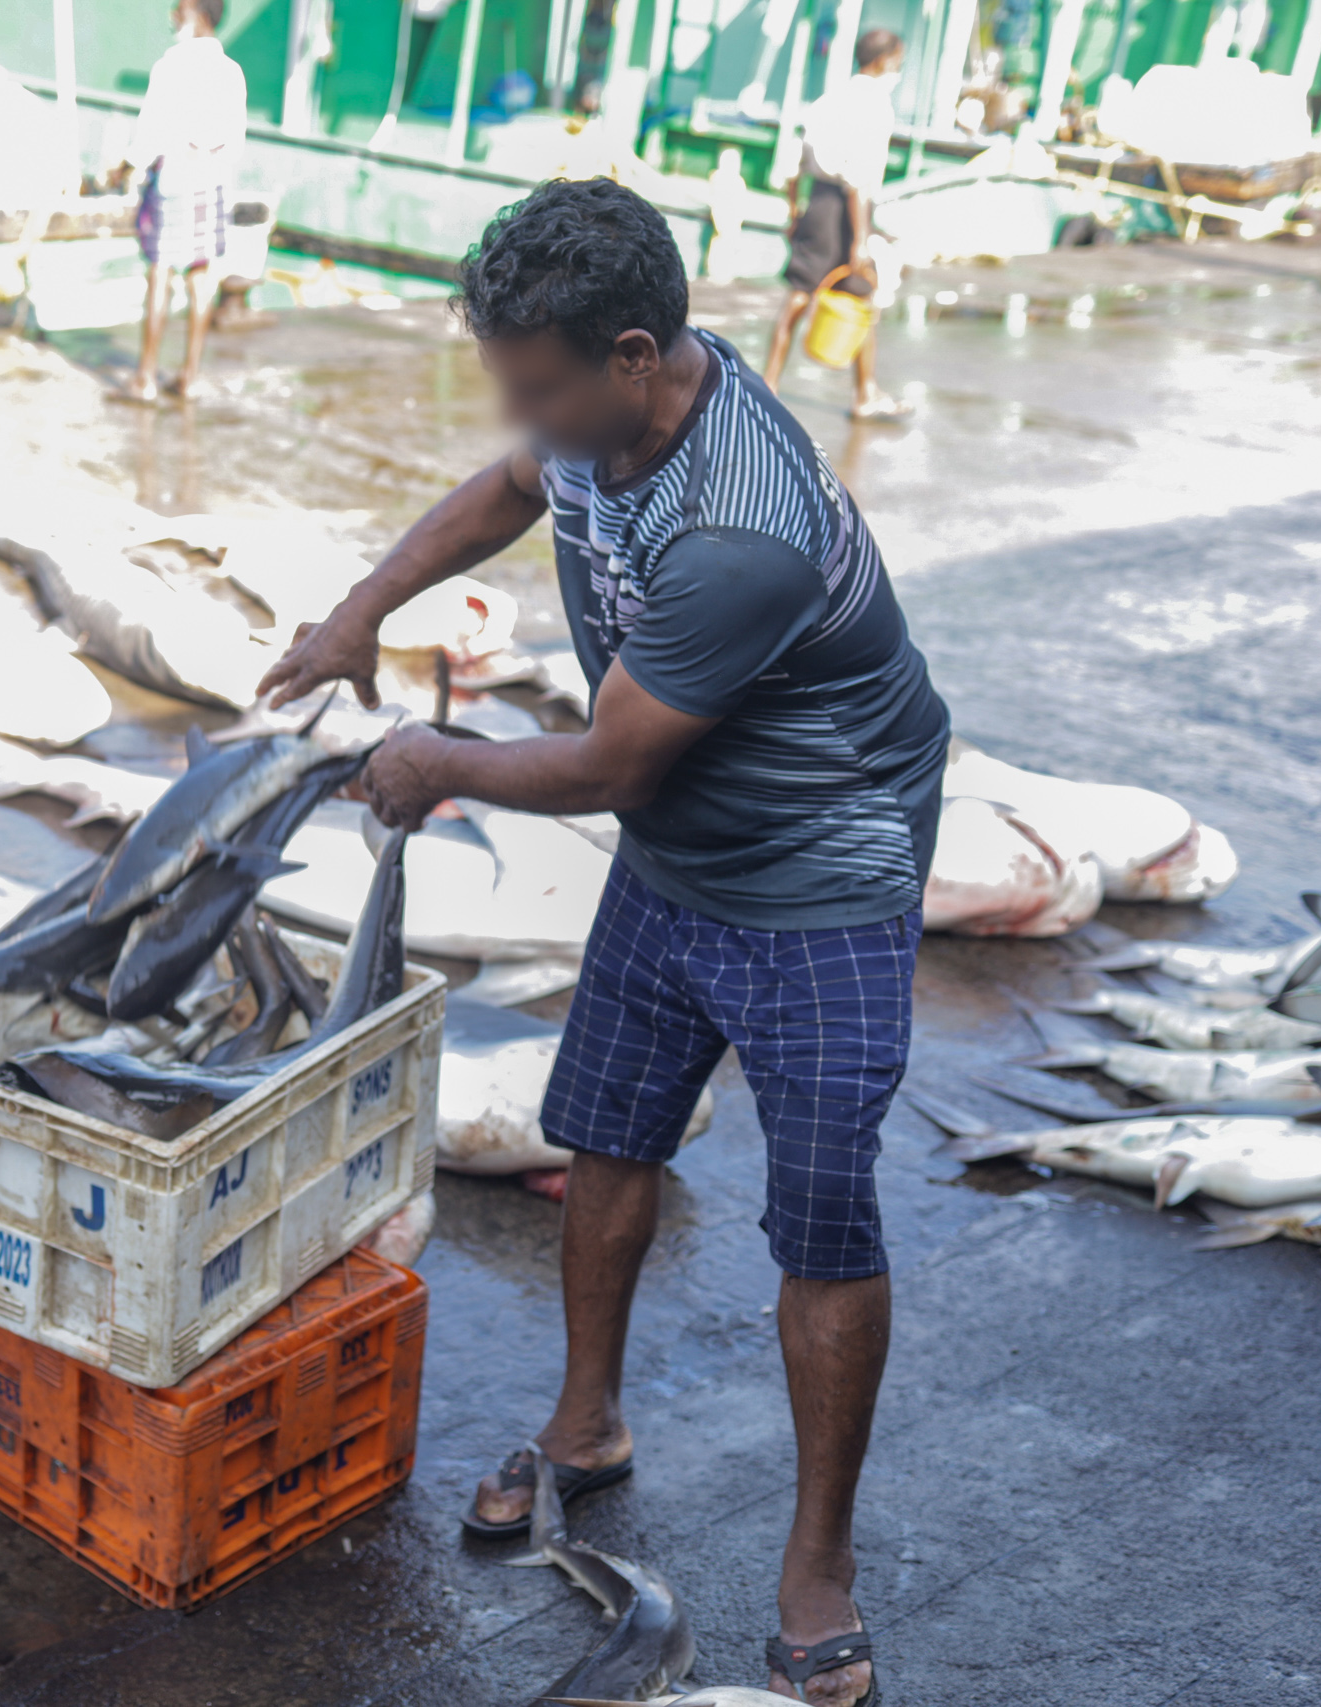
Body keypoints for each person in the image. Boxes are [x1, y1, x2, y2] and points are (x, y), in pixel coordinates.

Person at [259, 178, 949, 1707]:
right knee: (607, 1133)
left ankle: (818, 1554)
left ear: (638, 352)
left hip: (823, 870)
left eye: (537, 383)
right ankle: (588, 1419)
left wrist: (436, 760)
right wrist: (363, 603)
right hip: (682, 850)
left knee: (824, 1218)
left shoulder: (741, 525)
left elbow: (608, 766)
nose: (517, 414)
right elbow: (511, 487)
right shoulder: (601, 417)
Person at [761, 29, 906, 421]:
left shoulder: (831, 99)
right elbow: (859, 177)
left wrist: (795, 210)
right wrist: (860, 238)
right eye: (898, 58)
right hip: (849, 211)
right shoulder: (876, 105)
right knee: (860, 293)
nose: (899, 67)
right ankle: (865, 394)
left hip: (818, 203)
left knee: (800, 293)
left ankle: (769, 385)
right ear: (885, 59)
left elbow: (795, 161)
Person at [116, 0, 248, 402]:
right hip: (214, 182)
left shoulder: (170, 65)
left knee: (160, 273)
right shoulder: (232, 71)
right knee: (201, 276)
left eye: (179, 8)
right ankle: (189, 375)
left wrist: (124, 169)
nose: (173, 16)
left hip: (174, 180)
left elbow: (149, 136)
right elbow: (236, 142)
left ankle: (146, 376)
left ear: (197, 12)